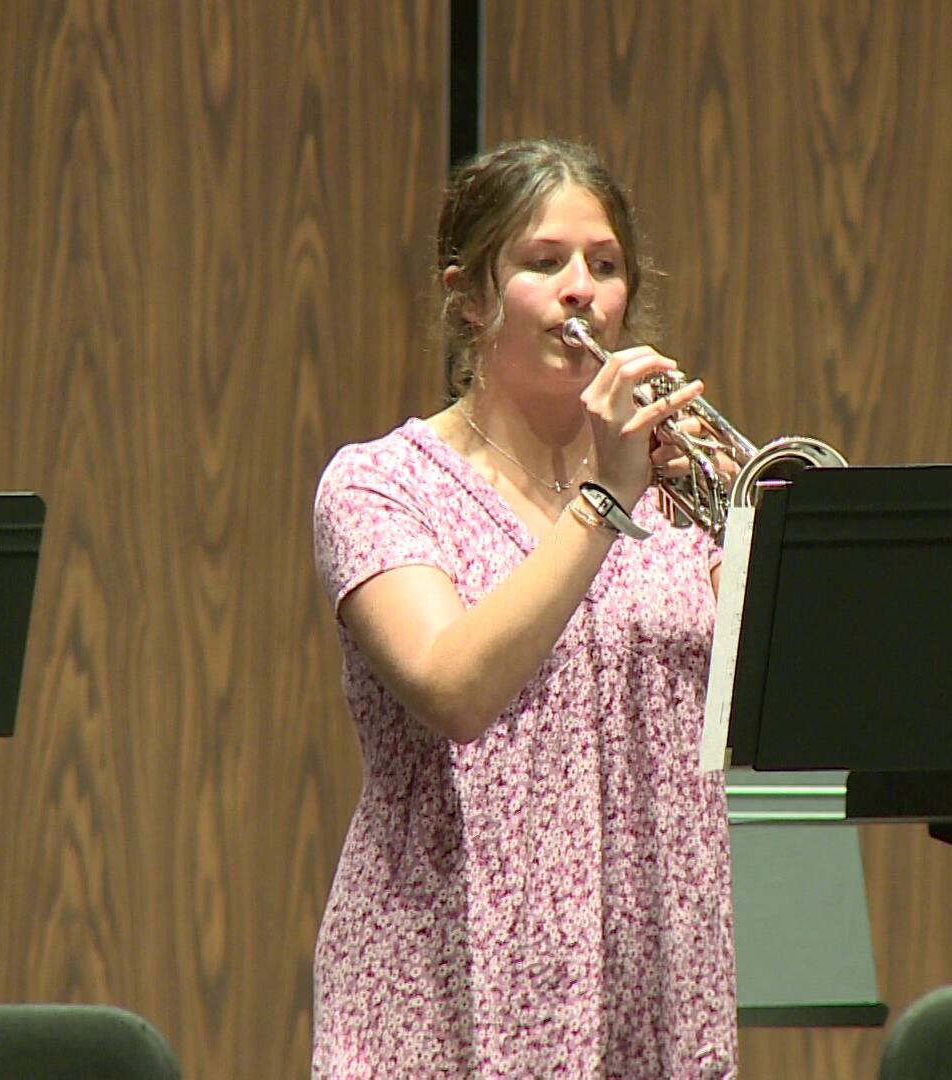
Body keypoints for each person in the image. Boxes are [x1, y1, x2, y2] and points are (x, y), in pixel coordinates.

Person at [310, 138, 736, 1078]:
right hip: (444, 984)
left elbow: (777, 697)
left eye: (606, 265)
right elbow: (453, 688)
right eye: (545, 263)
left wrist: (777, 553)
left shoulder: (677, 493)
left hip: (653, 981)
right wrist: (603, 501)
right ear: (470, 297)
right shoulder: (382, 486)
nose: (582, 288)